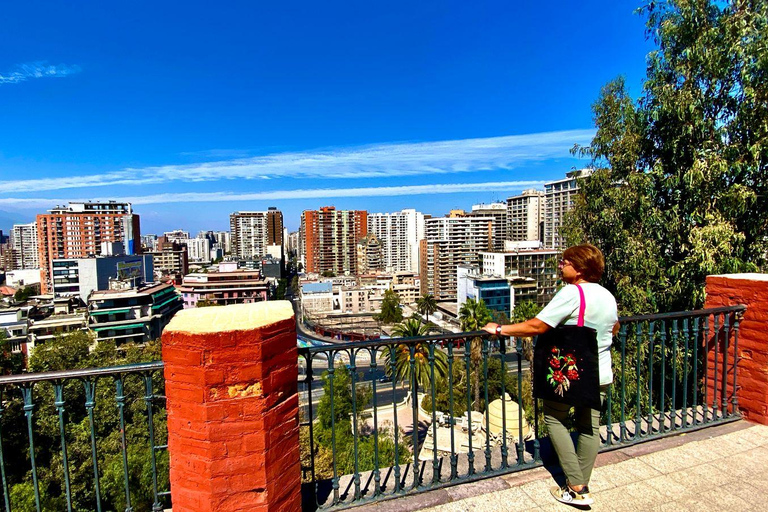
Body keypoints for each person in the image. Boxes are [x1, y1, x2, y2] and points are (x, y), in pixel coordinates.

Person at [483, 244, 618, 507]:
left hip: (571, 373)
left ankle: (576, 485)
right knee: (589, 427)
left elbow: (538, 325)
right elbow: (614, 327)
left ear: (578, 269)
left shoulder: (572, 292)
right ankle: (578, 485)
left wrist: (500, 329)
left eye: (565, 262)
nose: (560, 265)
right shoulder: (607, 295)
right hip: (600, 371)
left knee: (554, 419)